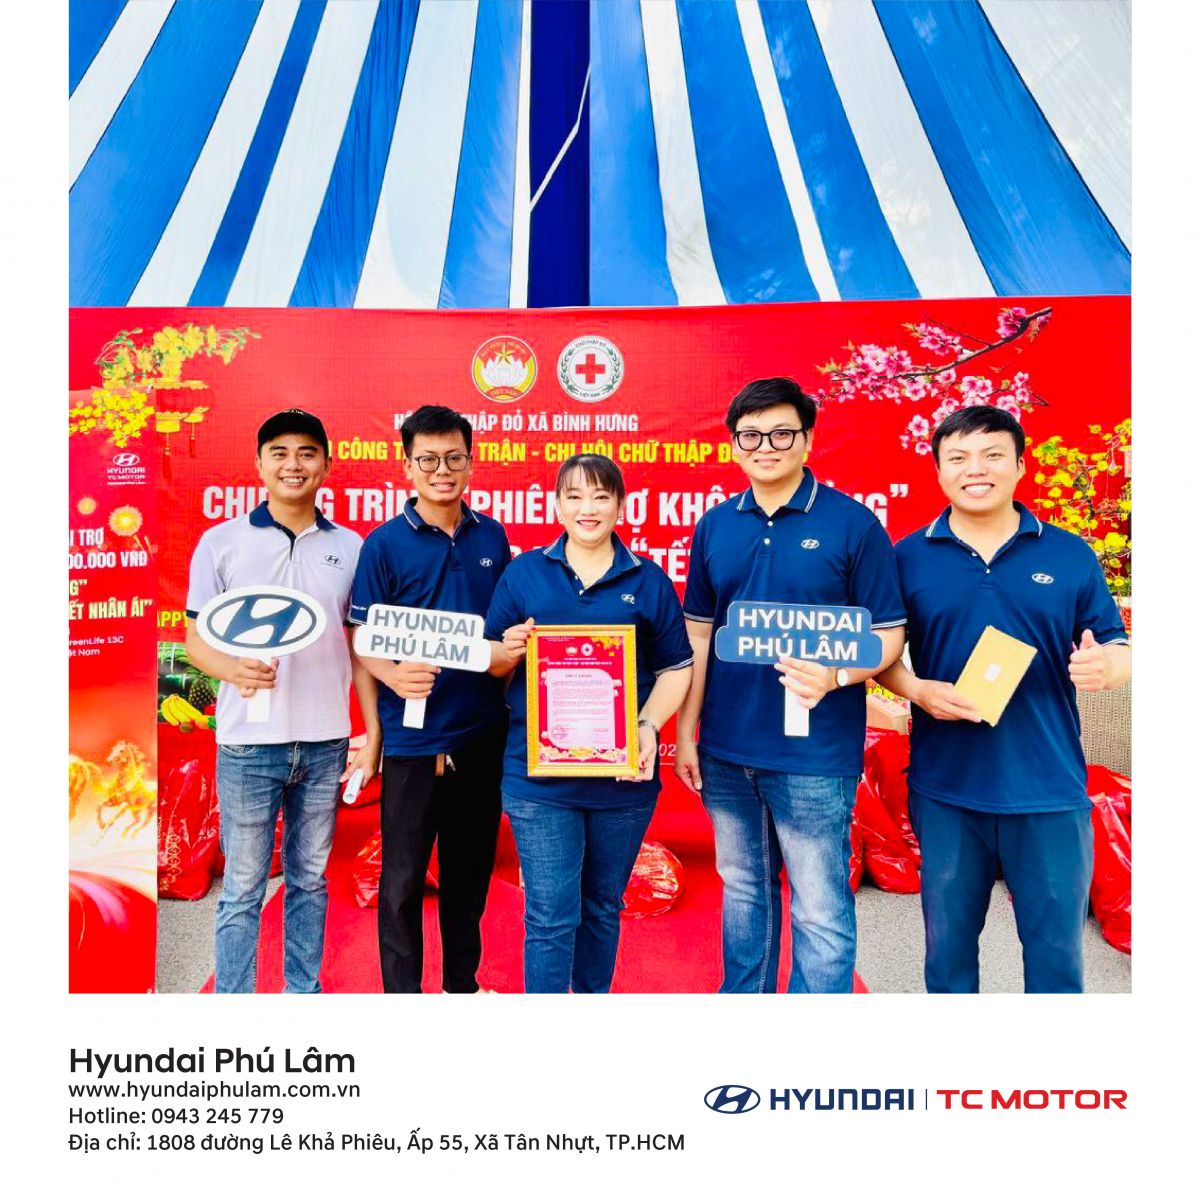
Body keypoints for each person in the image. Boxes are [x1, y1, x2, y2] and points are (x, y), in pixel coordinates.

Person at [875, 405, 1131, 993]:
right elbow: (881, 654)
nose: (976, 469)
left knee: (1056, 961)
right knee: (947, 958)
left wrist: (1109, 665)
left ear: (1019, 465)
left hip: (1048, 789)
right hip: (946, 789)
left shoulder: (1068, 554)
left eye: (993, 455)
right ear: (939, 471)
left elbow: (1117, 644)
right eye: (959, 458)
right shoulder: (906, 557)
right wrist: (916, 690)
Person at [676, 378, 906, 993]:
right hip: (727, 748)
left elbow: (888, 634)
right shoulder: (716, 526)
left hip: (814, 754)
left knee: (819, 903)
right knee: (743, 889)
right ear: (733, 446)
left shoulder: (853, 525)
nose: (765, 447)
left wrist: (837, 675)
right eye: (750, 436)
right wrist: (686, 732)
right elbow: (699, 635)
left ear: (807, 440)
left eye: (782, 434)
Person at [186, 409, 380, 993]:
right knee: (243, 886)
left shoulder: (351, 547)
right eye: (280, 452)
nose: (293, 464)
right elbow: (195, 639)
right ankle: (235, 1001)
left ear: (326, 464)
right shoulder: (221, 542)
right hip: (247, 745)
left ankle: (303, 993)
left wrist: (372, 732)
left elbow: (361, 645)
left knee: (310, 880)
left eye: (306, 453)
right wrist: (232, 669)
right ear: (259, 463)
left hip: (325, 742)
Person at [485, 455, 693, 993]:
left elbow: (677, 667)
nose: (588, 508)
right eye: (575, 496)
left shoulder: (647, 580)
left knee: (602, 905)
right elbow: (490, 658)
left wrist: (647, 725)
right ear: (557, 504)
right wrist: (508, 649)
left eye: (601, 496)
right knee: (551, 913)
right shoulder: (525, 573)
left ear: (620, 505)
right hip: (538, 778)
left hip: (623, 780)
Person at [350, 405, 511, 993]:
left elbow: (500, 629)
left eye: (453, 458)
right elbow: (361, 636)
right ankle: (403, 1001)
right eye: (428, 460)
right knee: (401, 882)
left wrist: (511, 652)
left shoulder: (492, 536)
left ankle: (461, 987)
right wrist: (394, 678)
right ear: (407, 467)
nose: (442, 470)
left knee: (469, 876)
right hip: (413, 740)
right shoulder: (384, 545)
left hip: (480, 734)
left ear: (471, 462)